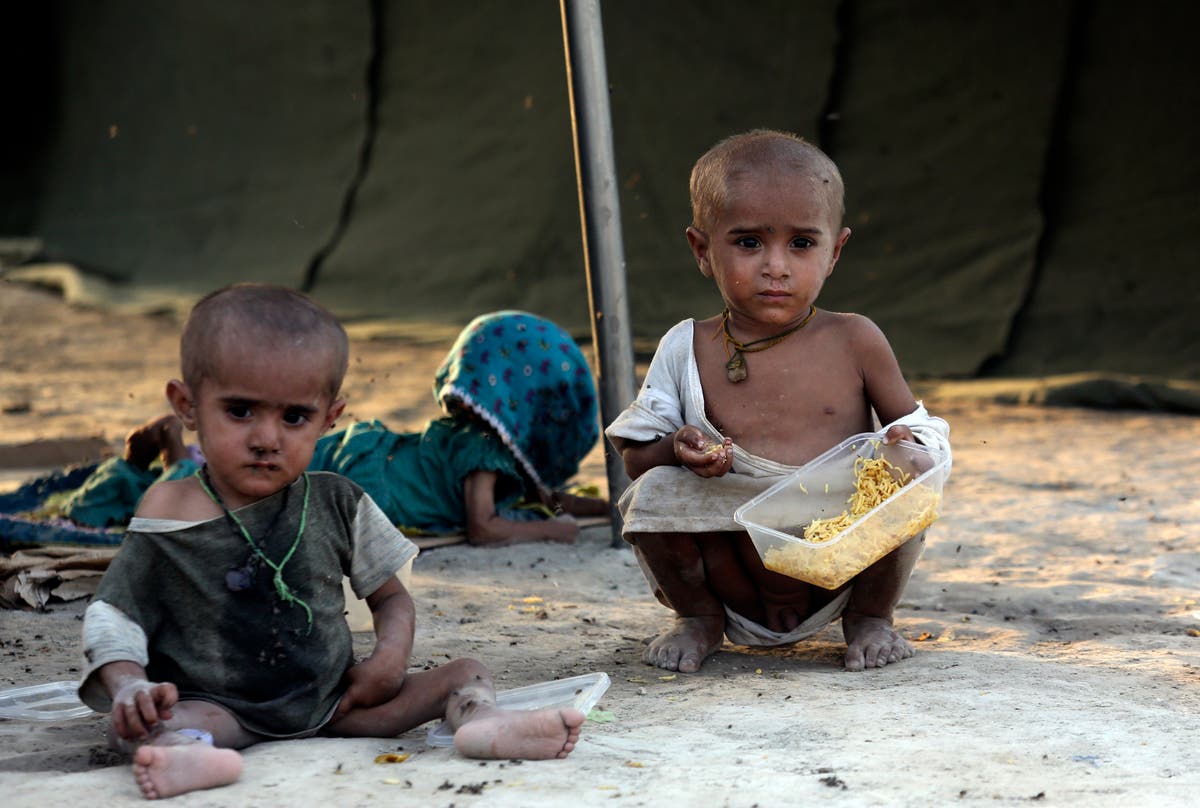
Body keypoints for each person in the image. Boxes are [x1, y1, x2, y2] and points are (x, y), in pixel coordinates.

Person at [78, 284, 585, 800]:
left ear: (329, 418)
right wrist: (130, 687)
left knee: (468, 672)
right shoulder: (168, 509)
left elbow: (391, 597)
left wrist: (389, 661)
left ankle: (485, 722)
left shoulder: (337, 500)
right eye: (239, 411)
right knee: (134, 725)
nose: (267, 438)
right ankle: (187, 755)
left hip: (336, 703)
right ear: (187, 406)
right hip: (220, 709)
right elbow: (116, 612)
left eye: (293, 417)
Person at [605, 129, 952, 675]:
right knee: (652, 493)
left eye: (802, 244)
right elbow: (636, 457)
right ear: (702, 250)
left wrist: (907, 445)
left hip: (838, 558)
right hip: (729, 559)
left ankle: (870, 617)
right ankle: (697, 618)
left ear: (835, 251)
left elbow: (924, 434)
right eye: (748, 243)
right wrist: (677, 447)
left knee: (906, 470)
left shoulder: (856, 338)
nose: (776, 266)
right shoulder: (685, 346)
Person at [24, 310, 608, 547]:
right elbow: (485, 527)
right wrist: (554, 533)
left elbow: (545, 501)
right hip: (369, 482)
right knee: (240, 491)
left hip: (367, 452)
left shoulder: (475, 439)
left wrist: (600, 511)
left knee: (255, 462)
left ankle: (188, 450)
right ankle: (176, 455)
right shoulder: (486, 457)